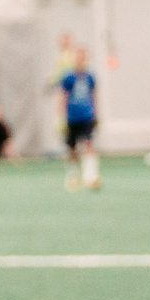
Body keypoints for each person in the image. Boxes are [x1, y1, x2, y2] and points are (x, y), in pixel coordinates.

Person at [57, 37, 99, 191]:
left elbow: (93, 95)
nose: (80, 58)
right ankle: (72, 175)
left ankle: (90, 176)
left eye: (83, 56)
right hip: (72, 116)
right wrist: (61, 117)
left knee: (88, 144)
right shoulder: (68, 77)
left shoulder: (89, 76)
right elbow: (63, 97)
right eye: (78, 55)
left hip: (86, 115)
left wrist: (95, 113)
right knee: (72, 148)